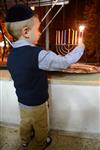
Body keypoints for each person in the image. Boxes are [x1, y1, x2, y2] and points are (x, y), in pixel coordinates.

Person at [5, 4, 85, 150]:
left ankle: (24, 140)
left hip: (22, 101)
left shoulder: (11, 56)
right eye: (38, 29)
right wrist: (79, 49)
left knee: (25, 122)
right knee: (41, 126)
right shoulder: (39, 55)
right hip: (37, 104)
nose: (41, 32)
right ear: (26, 32)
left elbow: (18, 73)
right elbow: (63, 62)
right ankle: (39, 144)